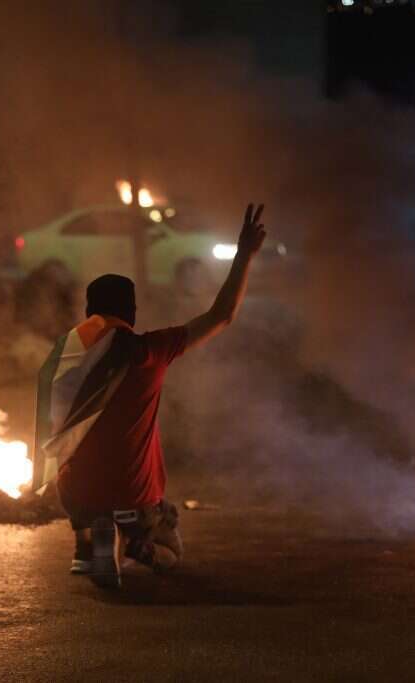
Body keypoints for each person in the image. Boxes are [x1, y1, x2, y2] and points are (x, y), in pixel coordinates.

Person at [34, 204, 267, 588]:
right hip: (134, 497)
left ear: (90, 312)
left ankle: (93, 539)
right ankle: (132, 542)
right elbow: (221, 315)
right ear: (133, 312)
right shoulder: (151, 352)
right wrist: (244, 255)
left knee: (75, 474)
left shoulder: (63, 360)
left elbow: (49, 432)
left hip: (78, 496)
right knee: (172, 554)